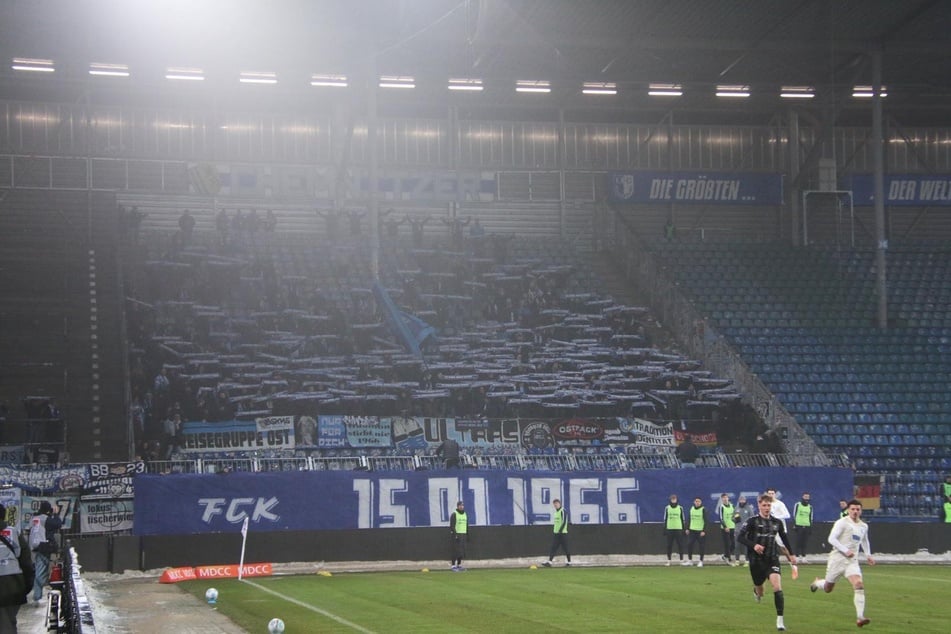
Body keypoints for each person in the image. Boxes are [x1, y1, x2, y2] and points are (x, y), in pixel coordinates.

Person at [737, 494, 798, 632]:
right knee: (761, 590)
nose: (766, 508)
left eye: (768, 505)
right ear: (759, 505)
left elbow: (784, 538)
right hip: (756, 561)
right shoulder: (752, 521)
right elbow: (740, 537)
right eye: (764, 505)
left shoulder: (777, 522)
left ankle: (780, 620)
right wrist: (754, 546)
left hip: (772, 558)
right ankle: (756, 591)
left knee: (777, 586)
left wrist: (792, 555)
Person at [810, 499, 876, 628]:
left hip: (852, 562)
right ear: (848, 510)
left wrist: (868, 555)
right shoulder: (842, 523)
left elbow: (865, 541)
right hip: (837, 559)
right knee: (828, 588)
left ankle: (860, 617)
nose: (855, 511)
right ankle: (817, 583)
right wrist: (845, 550)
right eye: (853, 509)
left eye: (858, 509)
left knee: (858, 584)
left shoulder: (863, 526)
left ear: (861, 511)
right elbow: (831, 539)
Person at [0, 502, 35, 633]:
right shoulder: (13, 532)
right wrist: (26, 586)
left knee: (5, 625)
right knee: (8, 622)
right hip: (14, 584)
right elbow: (26, 562)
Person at [29, 501, 61, 607]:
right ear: (48, 510)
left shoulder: (34, 518)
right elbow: (58, 524)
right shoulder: (45, 519)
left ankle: (38, 595)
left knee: (40, 569)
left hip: (35, 546)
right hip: (44, 546)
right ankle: (37, 597)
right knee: (42, 570)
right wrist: (56, 514)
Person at [542, 499, 571, 567]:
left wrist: (560, 530)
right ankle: (550, 562)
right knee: (553, 547)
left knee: (566, 548)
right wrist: (556, 531)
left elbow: (564, 521)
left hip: (562, 533)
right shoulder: (556, 512)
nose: (555, 505)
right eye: (554, 504)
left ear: (559, 504)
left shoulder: (563, 511)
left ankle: (569, 562)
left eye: (556, 503)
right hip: (556, 533)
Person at [663, 494, 688, 566]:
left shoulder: (680, 508)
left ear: (677, 500)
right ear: (670, 500)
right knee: (669, 545)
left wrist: (684, 529)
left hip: (678, 528)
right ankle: (668, 561)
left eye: (675, 499)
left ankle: (681, 560)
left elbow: (682, 519)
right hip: (670, 528)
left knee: (680, 545)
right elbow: (665, 519)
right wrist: (664, 529)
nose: (673, 500)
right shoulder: (667, 508)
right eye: (672, 499)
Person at [733, 495, 756, 566]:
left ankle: (747, 560)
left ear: (745, 501)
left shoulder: (749, 508)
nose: (742, 501)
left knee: (746, 546)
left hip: (746, 530)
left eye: (743, 500)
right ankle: (737, 560)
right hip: (737, 530)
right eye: (741, 500)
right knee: (737, 546)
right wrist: (734, 519)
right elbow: (732, 518)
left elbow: (752, 518)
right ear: (739, 501)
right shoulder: (736, 508)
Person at [792, 492, 814, 562]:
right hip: (799, 525)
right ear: (802, 497)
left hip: (807, 526)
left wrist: (810, 527)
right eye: (805, 496)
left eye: (808, 497)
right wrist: (795, 524)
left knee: (805, 542)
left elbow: (811, 517)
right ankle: (797, 557)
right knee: (798, 541)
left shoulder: (810, 507)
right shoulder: (797, 505)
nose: (806, 498)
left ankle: (804, 557)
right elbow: (794, 514)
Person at [686, 497, 707, 567]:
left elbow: (706, 521)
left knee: (701, 546)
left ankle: (701, 561)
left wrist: (704, 530)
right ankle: (690, 560)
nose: (697, 503)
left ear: (701, 502)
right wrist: (687, 528)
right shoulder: (691, 509)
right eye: (696, 501)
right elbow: (689, 519)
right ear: (694, 502)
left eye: (699, 501)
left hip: (700, 531)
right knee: (689, 545)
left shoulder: (703, 509)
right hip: (692, 530)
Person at [449, 500, 468, 571]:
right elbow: (452, 526)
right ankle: (453, 565)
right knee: (455, 550)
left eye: (462, 505)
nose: (461, 506)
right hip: (457, 535)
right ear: (457, 506)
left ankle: (459, 565)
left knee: (461, 551)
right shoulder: (454, 514)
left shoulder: (465, 514)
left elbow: (466, 525)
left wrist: (467, 534)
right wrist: (455, 534)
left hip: (463, 534)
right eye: (460, 505)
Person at [719, 493, 737, 565]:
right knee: (727, 544)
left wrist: (737, 524)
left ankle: (725, 555)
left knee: (733, 544)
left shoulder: (732, 506)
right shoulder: (721, 507)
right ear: (722, 499)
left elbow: (736, 515)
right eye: (723, 498)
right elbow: (721, 518)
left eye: (726, 497)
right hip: (725, 528)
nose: (725, 499)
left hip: (732, 527)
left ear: (728, 498)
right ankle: (729, 559)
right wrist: (725, 526)